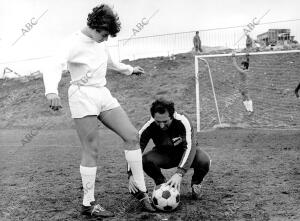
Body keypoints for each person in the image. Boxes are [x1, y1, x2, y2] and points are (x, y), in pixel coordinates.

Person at [42, 4, 155, 219]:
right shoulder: (72, 42)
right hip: (81, 95)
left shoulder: (100, 42)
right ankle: (88, 203)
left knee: (132, 136)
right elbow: (52, 65)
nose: (105, 39)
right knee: (91, 149)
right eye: (104, 34)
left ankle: (141, 192)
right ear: (95, 27)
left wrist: (130, 70)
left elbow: (110, 62)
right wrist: (51, 92)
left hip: (102, 93)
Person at [127, 98, 211, 200]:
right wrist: (131, 174)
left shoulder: (183, 121)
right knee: (145, 160)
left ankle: (196, 184)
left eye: (165, 121)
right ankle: (161, 183)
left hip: (185, 153)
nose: (161, 125)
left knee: (204, 159)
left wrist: (179, 173)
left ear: (172, 116)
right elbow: (135, 148)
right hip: (164, 155)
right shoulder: (149, 125)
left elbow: (190, 147)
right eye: (158, 121)